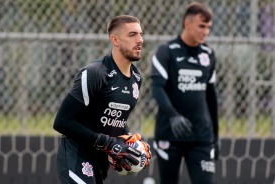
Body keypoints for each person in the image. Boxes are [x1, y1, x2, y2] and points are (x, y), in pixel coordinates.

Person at [53, 15, 151, 184]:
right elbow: (62, 121)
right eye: (132, 35)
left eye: (140, 34)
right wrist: (106, 142)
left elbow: (115, 121)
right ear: (115, 40)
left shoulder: (136, 78)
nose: (140, 40)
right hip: (76, 156)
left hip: (101, 161)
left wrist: (129, 142)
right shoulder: (95, 74)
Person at [150, 2, 219, 184]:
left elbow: (211, 96)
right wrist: (173, 117)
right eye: (201, 26)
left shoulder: (208, 54)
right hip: (170, 134)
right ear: (187, 24)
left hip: (201, 137)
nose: (205, 32)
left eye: (209, 27)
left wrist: (216, 136)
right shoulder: (166, 51)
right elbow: (157, 89)